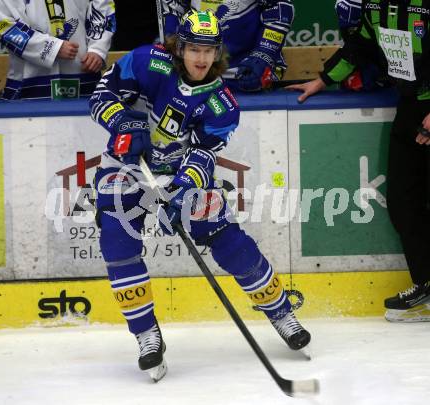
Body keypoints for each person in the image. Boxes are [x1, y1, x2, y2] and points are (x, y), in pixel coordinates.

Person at [89, 9, 310, 381]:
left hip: (178, 170)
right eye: (194, 49)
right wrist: (123, 122)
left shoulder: (222, 101)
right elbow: (101, 95)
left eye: (209, 50)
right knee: (117, 242)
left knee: (229, 241)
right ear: (180, 47)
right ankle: (147, 336)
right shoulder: (146, 61)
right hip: (125, 165)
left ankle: (281, 312)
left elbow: (205, 152)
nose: (202, 58)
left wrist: (182, 190)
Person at [287, 0, 430, 322]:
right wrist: (322, 80)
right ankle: (426, 284)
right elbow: (359, 48)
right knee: (404, 202)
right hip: (410, 109)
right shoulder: (375, 6)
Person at [0, 0, 115, 100]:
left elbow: (102, 6)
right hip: (30, 84)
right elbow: (4, 25)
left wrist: (98, 49)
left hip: (84, 77)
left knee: (86, 130)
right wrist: (51, 47)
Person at [160, 0, 295, 92]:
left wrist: (264, 54)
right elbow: (174, 6)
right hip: (195, 74)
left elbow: (279, 8)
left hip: (245, 73)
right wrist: (172, 43)